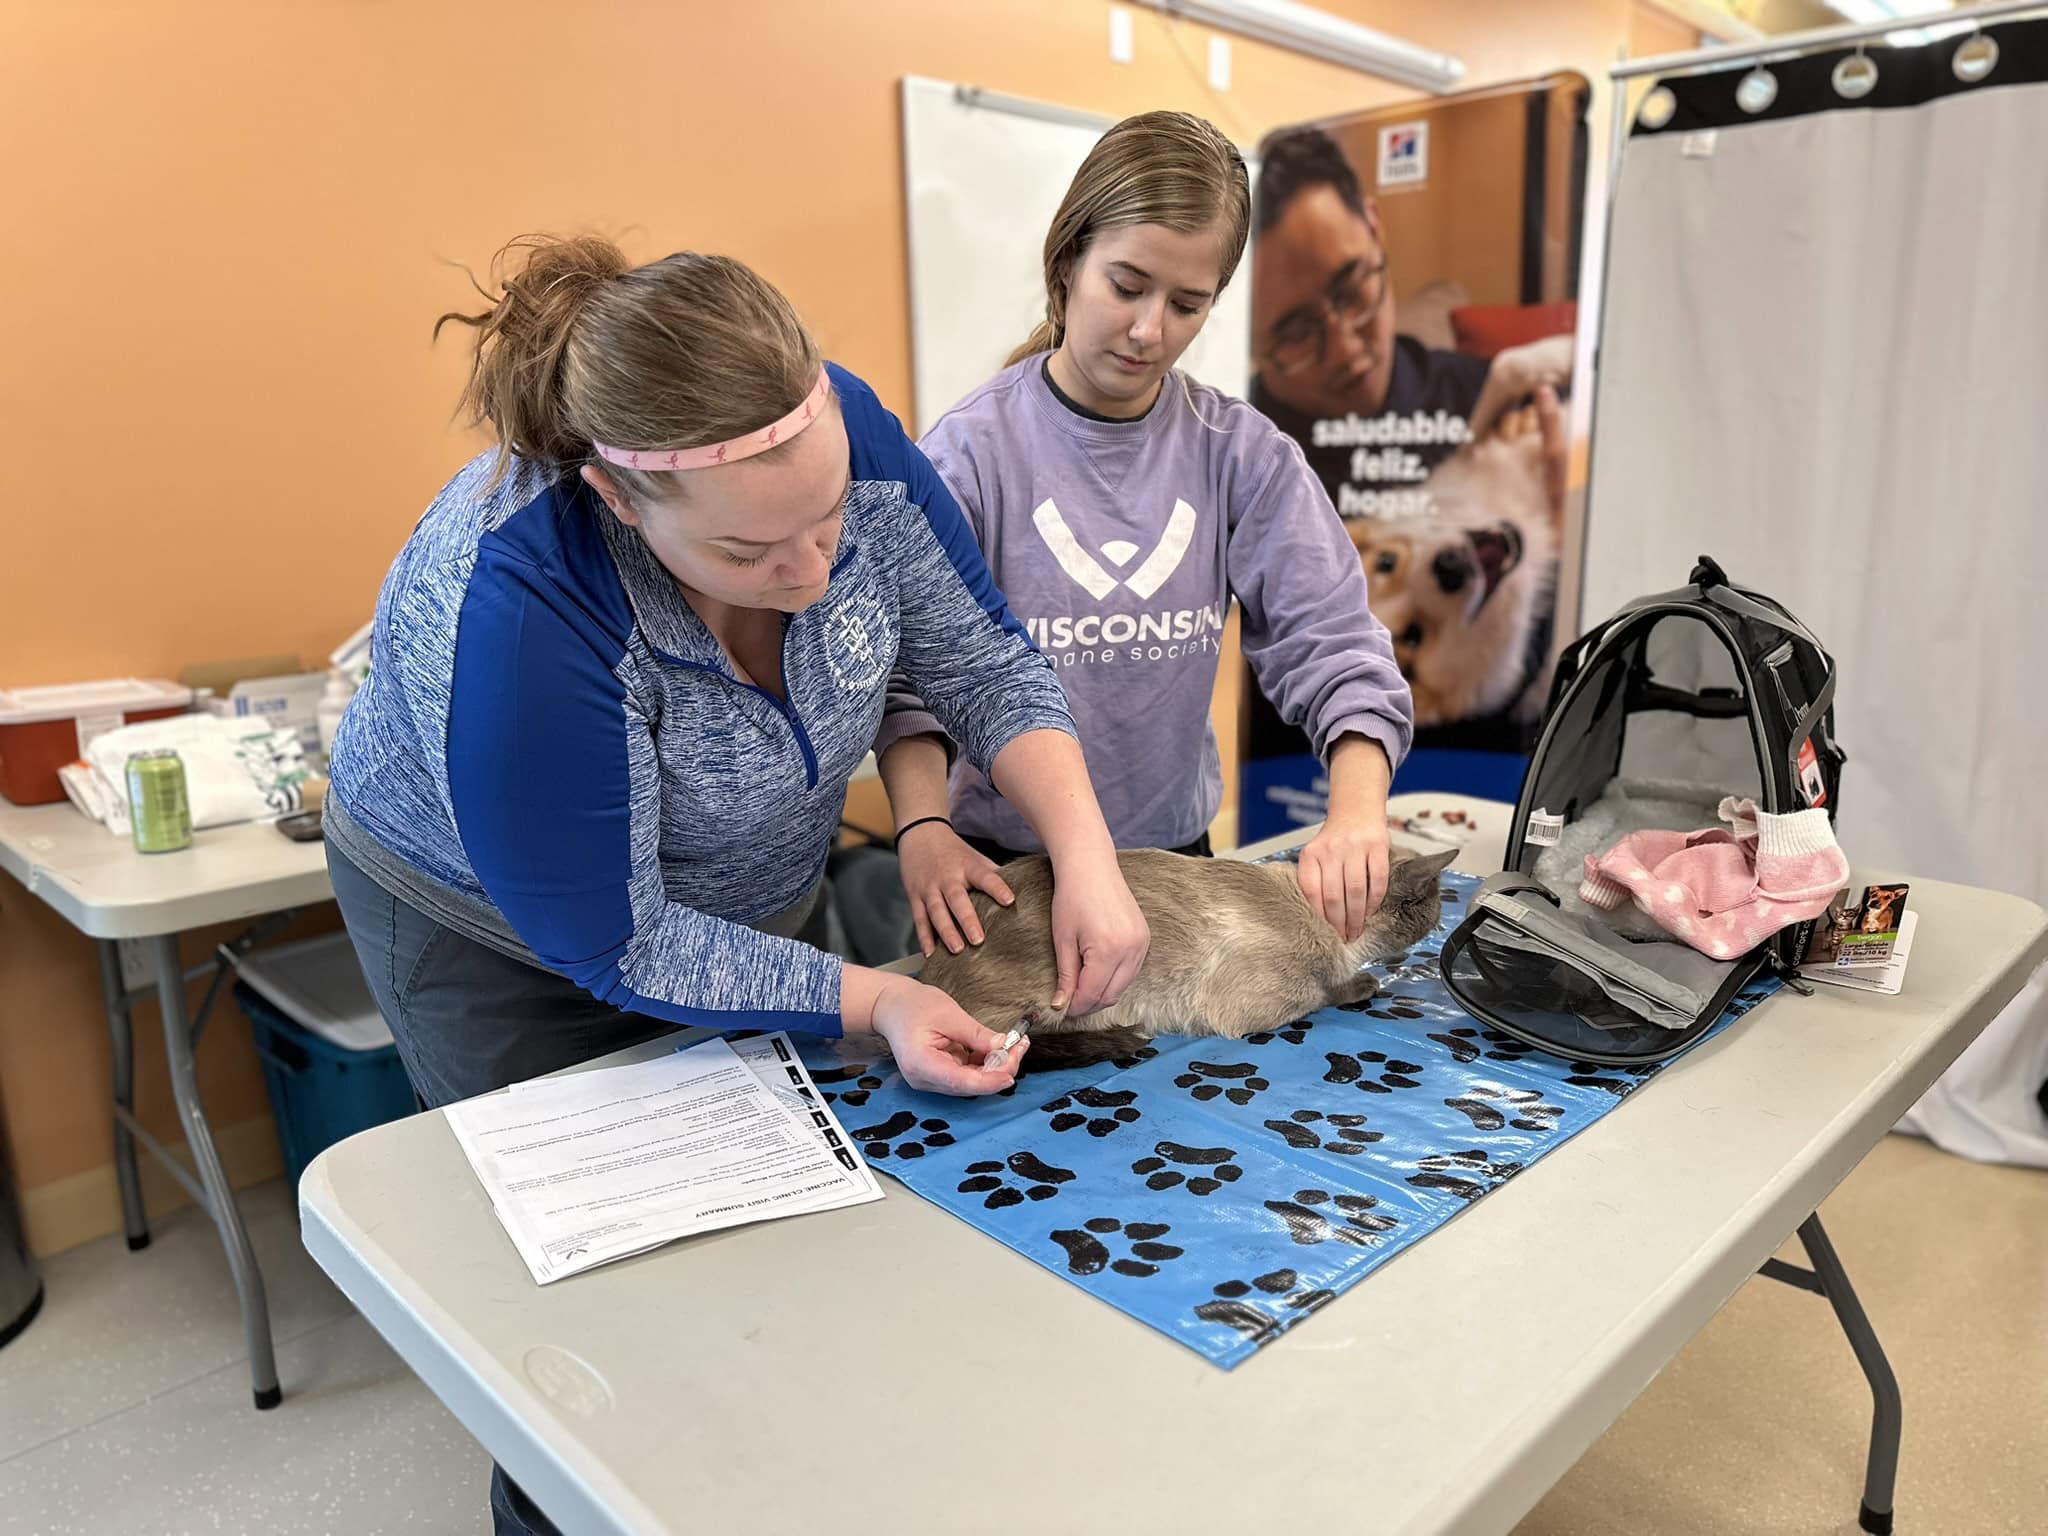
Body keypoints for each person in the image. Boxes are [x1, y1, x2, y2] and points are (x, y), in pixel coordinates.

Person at [323, 235, 1148, 1536]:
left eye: (827, 521)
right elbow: (621, 943)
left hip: (754, 883)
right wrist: (876, 1000)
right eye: (756, 552)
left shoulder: (838, 434)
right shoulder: (527, 601)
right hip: (507, 938)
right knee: (603, 1305)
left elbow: (981, 659)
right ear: (618, 499)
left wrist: (1086, 855)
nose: (813, 569)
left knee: (795, 1236)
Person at [871, 111, 1414, 959]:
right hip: (996, 876)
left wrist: (1354, 814)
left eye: (1187, 304)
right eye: (1126, 285)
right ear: (1067, 264)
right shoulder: (968, 456)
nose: (1149, 330)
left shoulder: (1244, 457)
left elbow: (1334, 643)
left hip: (1173, 865)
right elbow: (911, 678)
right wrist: (922, 826)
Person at [1246, 124, 1572, 523]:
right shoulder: (1228, 445)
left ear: (1375, 229)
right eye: (1295, 333)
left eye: (1350, 290)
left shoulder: (1497, 406)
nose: (1345, 349)